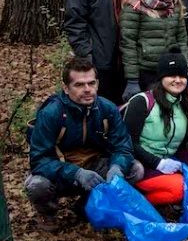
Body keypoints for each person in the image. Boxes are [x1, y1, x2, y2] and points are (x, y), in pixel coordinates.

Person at [25, 57, 139, 229]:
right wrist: (76, 173)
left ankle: (85, 206)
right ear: (66, 88)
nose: (87, 90)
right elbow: (39, 160)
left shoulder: (107, 109)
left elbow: (123, 146)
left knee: (135, 169)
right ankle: (47, 214)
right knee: (37, 185)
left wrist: (117, 166)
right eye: (79, 85)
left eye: (91, 83)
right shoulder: (51, 113)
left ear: (97, 84)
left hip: (95, 167)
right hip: (63, 171)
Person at [124, 48, 188, 206]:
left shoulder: (186, 103)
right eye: (171, 75)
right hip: (143, 163)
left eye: (182, 76)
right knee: (179, 188)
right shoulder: (142, 102)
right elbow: (128, 143)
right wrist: (158, 163)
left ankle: (168, 185)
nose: (178, 80)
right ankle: (135, 202)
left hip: (170, 158)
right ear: (161, 77)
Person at [120, 0, 188, 101]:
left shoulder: (173, 3)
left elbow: (182, 40)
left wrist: (186, 69)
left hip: (171, 69)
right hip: (146, 71)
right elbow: (128, 43)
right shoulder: (134, 5)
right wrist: (132, 79)